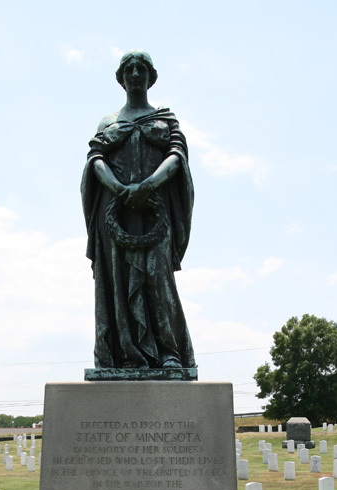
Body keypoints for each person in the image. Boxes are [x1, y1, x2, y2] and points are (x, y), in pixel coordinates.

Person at [81, 51, 196, 370]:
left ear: (151, 76)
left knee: (159, 280)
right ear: (121, 78)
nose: (134, 73)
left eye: (141, 68)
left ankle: (169, 353)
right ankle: (125, 354)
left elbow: (177, 155)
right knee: (119, 281)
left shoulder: (166, 117)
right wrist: (120, 189)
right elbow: (95, 160)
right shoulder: (107, 122)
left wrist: (147, 186)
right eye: (128, 69)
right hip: (115, 213)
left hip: (155, 210)